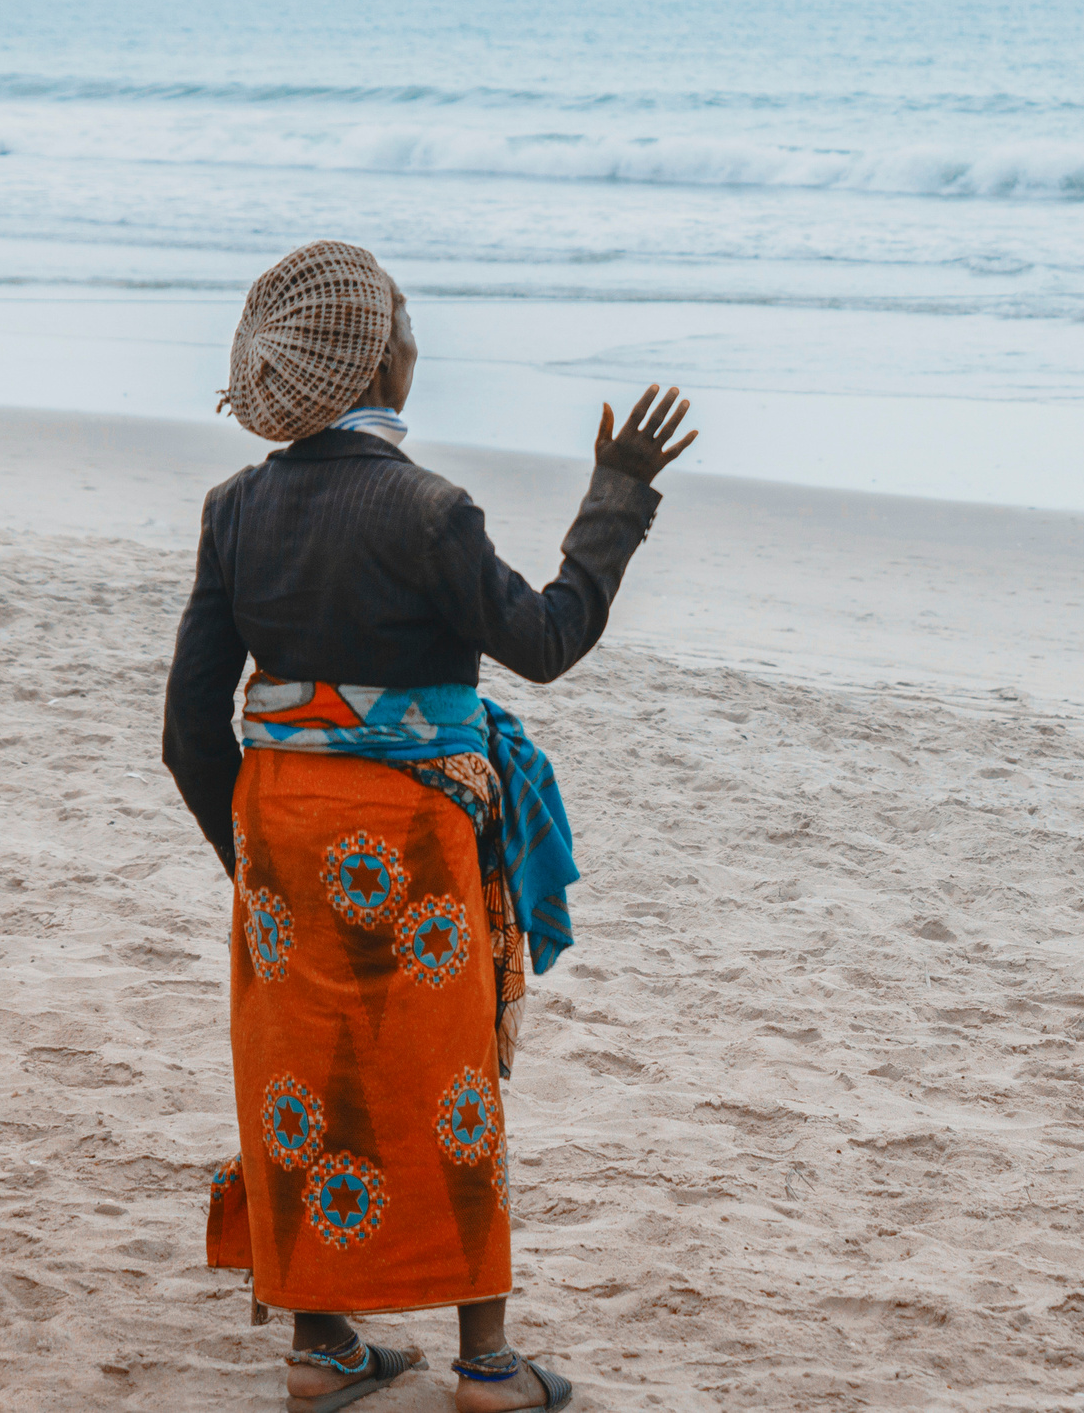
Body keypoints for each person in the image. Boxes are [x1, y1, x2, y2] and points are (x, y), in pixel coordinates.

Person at [162, 241, 694, 1413]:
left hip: (282, 835)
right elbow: (547, 642)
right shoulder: (429, 512)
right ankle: (488, 1369)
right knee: (445, 1084)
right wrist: (617, 496)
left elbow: (192, 725)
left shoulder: (235, 508)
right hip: (412, 840)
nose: (416, 335)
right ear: (380, 359)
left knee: (304, 1078)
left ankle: (322, 1347)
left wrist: (252, 857)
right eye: (405, 320)